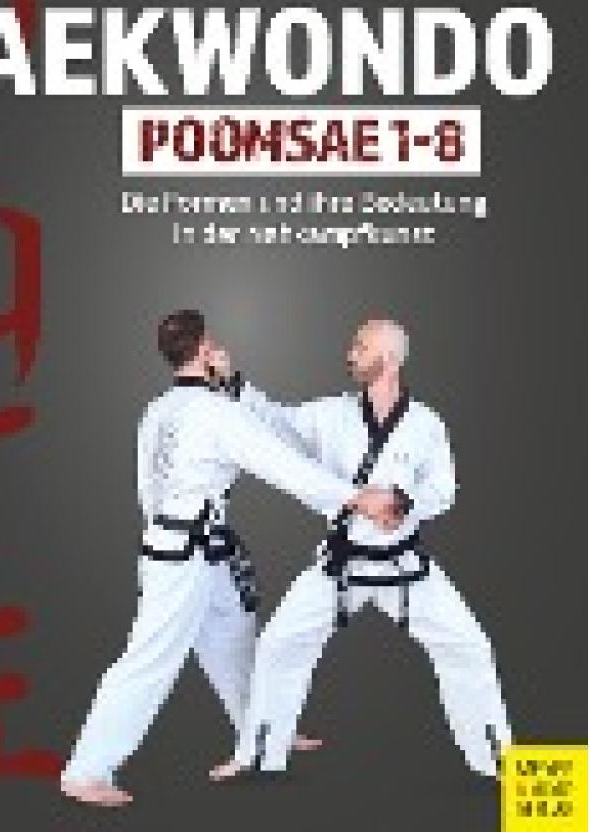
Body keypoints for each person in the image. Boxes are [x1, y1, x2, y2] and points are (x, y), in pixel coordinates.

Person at [60, 309, 400, 807]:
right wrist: (357, 498)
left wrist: (173, 530)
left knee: (235, 639)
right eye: (212, 343)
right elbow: (284, 466)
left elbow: (147, 486)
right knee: (150, 658)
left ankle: (264, 732)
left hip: (185, 545)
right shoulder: (216, 413)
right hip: (184, 557)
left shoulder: (157, 410)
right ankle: (86, 770)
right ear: (204, 349)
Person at [210, 316, 512, 782]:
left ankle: (498, 761)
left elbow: (445, 489)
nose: (350, 354)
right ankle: (258, 754)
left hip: (403, 563)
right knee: (279, 644)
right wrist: (234, 382)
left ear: (388, 358)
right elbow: (277, 421)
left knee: (469, 647)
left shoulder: (425, 423)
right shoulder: (331, 414)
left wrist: (405, 504)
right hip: (342, 561)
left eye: (360, 346)